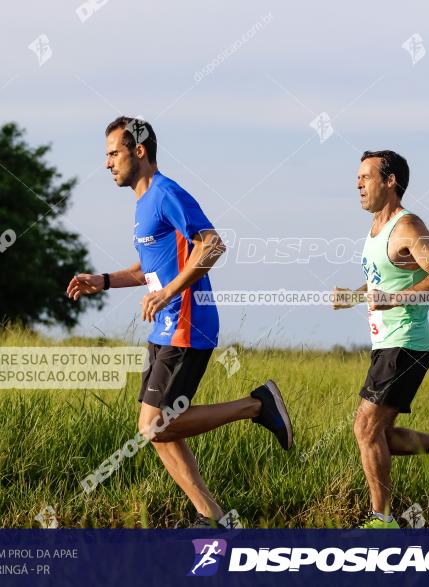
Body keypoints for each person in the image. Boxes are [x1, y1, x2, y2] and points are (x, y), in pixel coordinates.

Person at [67, 116, 293, 528]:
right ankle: (215, 519)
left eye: (113, 153)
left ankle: (258, 405)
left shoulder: (166, 192)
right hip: (164, 326)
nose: (107, 164)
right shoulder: (142, 204)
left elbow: (212, 244)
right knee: (158, 433)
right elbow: (148, 270)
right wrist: (101, 281)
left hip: (187, 321)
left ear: (139, 151)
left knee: (155, 426)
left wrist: (169, 293)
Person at [333, 150, 429, 529]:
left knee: (365, 430)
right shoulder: (375, 231)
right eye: (358, 177)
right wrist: (354, 296)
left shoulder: (408, 226)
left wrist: (395, 300)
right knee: (382, 436)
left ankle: (381, 519)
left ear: (390, 182)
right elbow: (383, 282)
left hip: (406, 343)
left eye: (366, 177)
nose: (358, 184)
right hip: (386, 344)